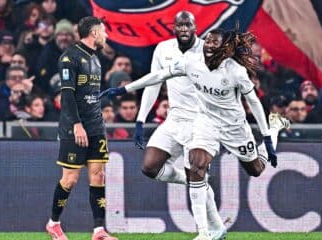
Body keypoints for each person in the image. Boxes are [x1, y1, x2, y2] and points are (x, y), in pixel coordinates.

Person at [100, 26, 290, 240]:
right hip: (206, 122)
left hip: (234, 127)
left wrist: (266, 135)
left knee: (256, 169)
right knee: (196, 165)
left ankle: (275, 126)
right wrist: (125, 89)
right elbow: (159, 75)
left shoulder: (235, 71)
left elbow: (254, 102)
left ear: (225, 48)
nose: (208, 44)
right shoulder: (192, 61)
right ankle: (204, 232)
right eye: (207, 40)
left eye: (214, 42)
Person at [129, 11, 226, 240]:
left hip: (200, 121)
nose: (184, 29)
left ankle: (204, 233)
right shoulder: (163, 49)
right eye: (180, 25)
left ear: (195, 27)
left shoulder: (209, 50)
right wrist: (141, 119)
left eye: (188, 25)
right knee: (150, 166)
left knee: (196, 173)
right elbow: (153, 84)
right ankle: (194, 183)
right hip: (174, 120)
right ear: (174, 27)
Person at [45, 16, 117, 240]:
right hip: (74, 127)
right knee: (70, 179)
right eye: (104, 31)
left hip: (96, 126)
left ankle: (99, 231)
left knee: (99, 175)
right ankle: (53, 223)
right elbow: (66, 96)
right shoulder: (69, 57)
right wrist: (77, 125)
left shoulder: (96, 59)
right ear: (94, 33)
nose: (106, 36)